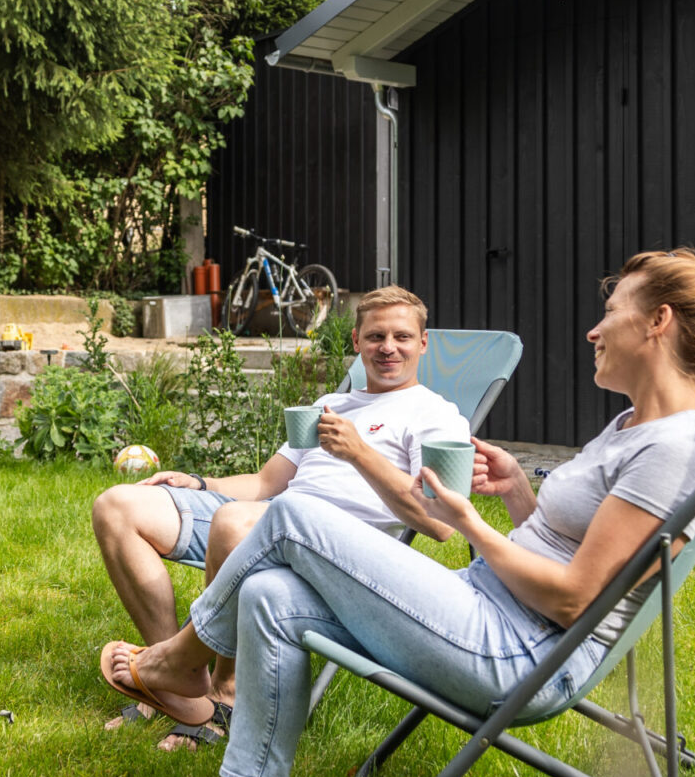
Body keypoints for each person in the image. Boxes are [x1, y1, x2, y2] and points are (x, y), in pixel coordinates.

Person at [100, 248, 695, 777]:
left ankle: (182, 662)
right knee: (270, 594)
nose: (594, 330)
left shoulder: (677, 448)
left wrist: (472, 526)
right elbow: (579, 555)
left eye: (610, 311)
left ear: (657, 322)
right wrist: (517, 500)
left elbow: (576, 600)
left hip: (520, 655)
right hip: (492, 609)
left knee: (294, 517)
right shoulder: (634, 425)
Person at [90, 285, 468, 751]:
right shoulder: (332, 403)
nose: (388, 347)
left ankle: (224, 695)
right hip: (268, 515)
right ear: (356, 342)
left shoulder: (435, 414)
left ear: (423, 343)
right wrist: (199, 482)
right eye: (375, 337)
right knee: (117, 506)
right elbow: (267, 484)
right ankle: (176, 685)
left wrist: (359, 453)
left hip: (338, 550)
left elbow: (440, 523)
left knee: (233, 523)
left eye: (402, 337)